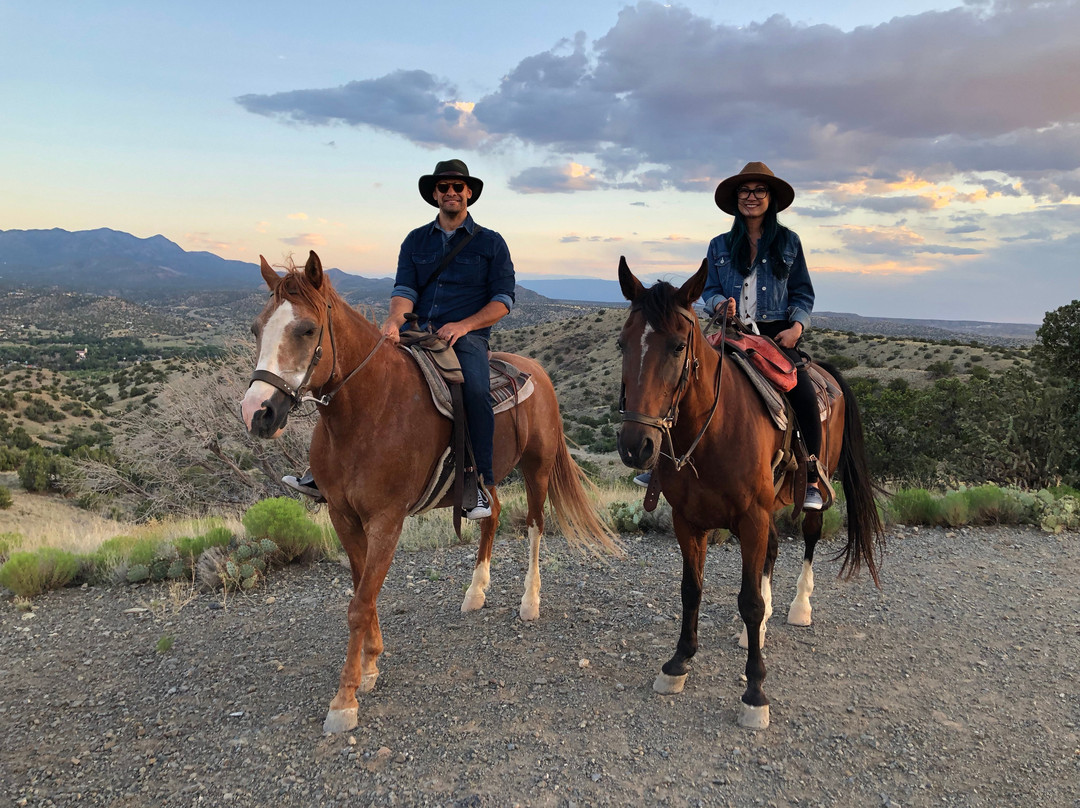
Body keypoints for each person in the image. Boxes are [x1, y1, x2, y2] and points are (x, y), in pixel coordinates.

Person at [283, 159, 515, 519]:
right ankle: (323, 470)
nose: (451, 192)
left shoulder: (491, 243)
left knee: (475, 392)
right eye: (443, 187)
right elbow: (405, 290)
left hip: (465, 338)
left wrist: (464, 326)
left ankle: (480, 482)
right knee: (351, 375)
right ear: (435, 194)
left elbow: (502, 300)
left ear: (469, 192)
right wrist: (394, 321)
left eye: (457, 186)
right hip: (415, 330)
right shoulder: (416, 240)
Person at [634, 161, 825, 511]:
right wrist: (720, 304)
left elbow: (802, 293)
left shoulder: (789, 243)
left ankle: (812, 476)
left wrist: (796, 328)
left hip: (775, 335)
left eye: (759, 190)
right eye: (744, 191)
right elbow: (709, 289)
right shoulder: (719, 245)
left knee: (803, 392)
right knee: (683, 382)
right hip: (730, 331)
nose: (751, 197)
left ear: (770, 198)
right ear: (736, 199)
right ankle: (663, 464)